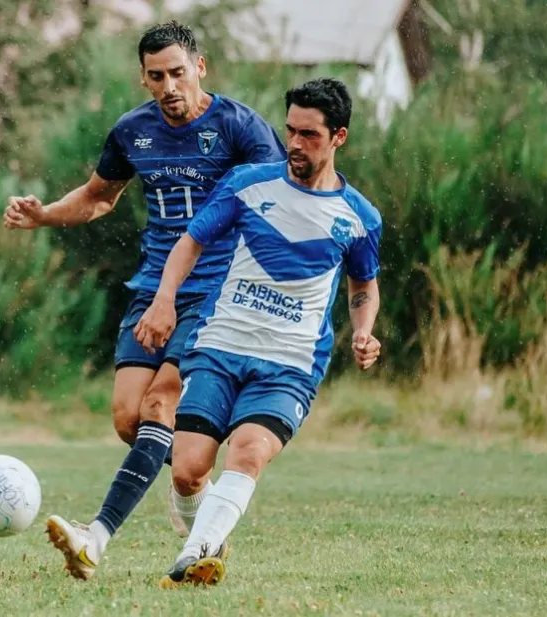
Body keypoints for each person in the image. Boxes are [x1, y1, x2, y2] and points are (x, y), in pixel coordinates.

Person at [3, 21, 286, 580]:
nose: (169, 87)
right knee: (130, 419)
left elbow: (281, 201)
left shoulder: (239, 127)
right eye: (156, 77)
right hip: (154, 287)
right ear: (143, 79)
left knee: (160, 405)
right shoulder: (133, 131)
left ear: (199, 67)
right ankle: (196, 497)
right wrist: (45, 215)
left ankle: (95, 537)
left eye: (178, 73)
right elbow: (98, 197)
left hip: (217, 293)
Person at [133, 78, 383, 587]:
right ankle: (208, 534)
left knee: (248, 451)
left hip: (290, 363)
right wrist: (164, 299)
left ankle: (193, 556)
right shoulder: (248, 184)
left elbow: (363, 285)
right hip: (220, 346)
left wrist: (364, 331)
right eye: (290, 130)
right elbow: (190, 242)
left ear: (339, 137)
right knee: (187, 471)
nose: (295, 143)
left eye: (309, 135)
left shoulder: (359, 217)